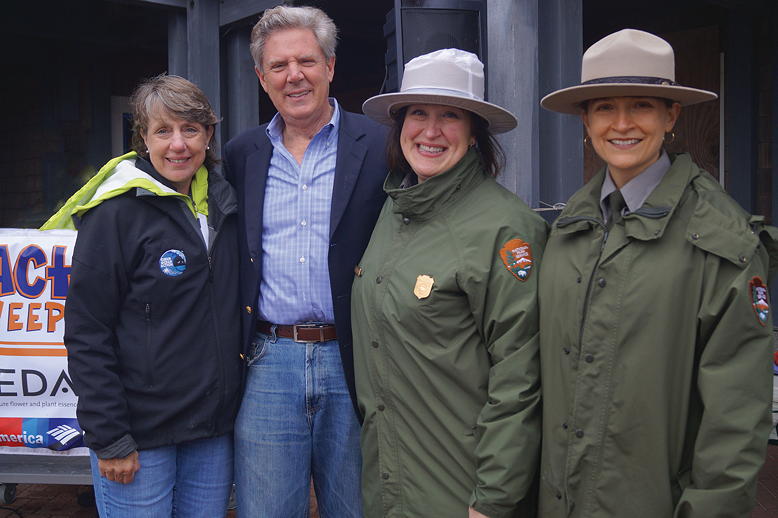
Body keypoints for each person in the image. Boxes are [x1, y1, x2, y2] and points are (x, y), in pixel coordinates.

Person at [538, 28, 777, 517]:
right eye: (604, 107)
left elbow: (736, 419)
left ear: (671, 116)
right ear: (585, 119)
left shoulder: (720, 240)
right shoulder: (567, 229)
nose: (622, 124)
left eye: (642, 106)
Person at [354, 48, 546, 518]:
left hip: (461, 492)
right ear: (400, 126)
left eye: (450, 116)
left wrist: (494, 499)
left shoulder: (506, 229)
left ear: (475, 133)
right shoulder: (393, 209)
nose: (431, 130)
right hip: (390, 484)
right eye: (418, 113)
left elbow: (521, 379)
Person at [41, 74, 241, 516]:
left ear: (208, 135)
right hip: (139, 435)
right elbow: (87, 332)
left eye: (190, 129)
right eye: (163, 131)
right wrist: (110, 435)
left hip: (209, 433)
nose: (178, 145)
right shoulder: (115, 214)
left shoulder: (225, 204)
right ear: (143, 139)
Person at [221, 5, 388, 517]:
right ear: (261, 78)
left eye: (307, 61)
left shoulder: (382, 144)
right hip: (270, 359)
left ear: (330, 67)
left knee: (357, 506)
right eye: (278, 66)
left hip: (354, 357)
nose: (294, 75)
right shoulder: (241, 154)